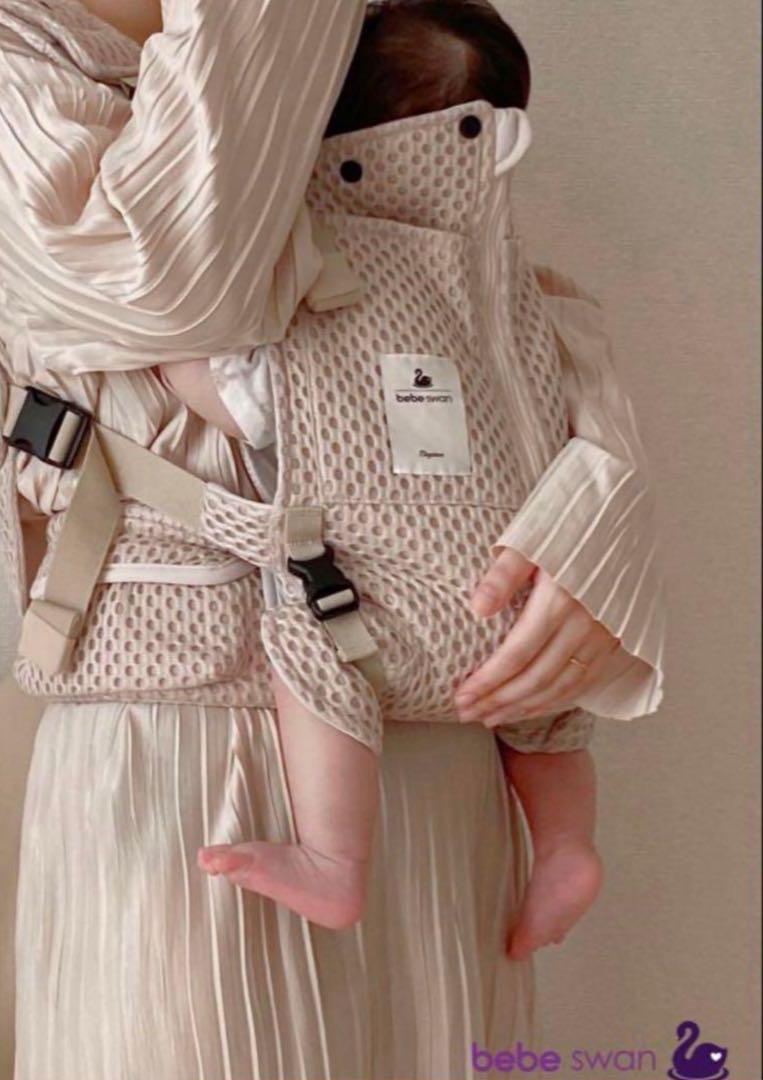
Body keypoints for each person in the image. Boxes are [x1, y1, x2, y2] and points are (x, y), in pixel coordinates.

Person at [0, 0, 665, 1074]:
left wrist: (595, 531)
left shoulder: (375, 37)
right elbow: (177, 287)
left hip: (441, 744)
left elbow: (512, 328)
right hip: (181, 737)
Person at [163, 0, 615, 955]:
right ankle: (565, 846)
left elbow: (245, 404)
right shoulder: (518, 293)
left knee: (304, 643)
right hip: (524, 618)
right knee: (546, 712)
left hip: (380, 622)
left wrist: (166, 359)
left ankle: (334, 860)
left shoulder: (314, 282)